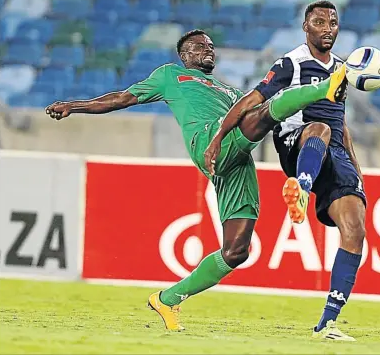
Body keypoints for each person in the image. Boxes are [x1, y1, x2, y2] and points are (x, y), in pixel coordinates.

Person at [44, 29, 348, 331]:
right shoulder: (170, 75)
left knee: (236, 251)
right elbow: (121, 98)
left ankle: (167, 298)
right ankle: (324, 86)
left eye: (212, 46)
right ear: (185, 54)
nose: (209, 50)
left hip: (238, 161)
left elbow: (255, 117)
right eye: (201, 47)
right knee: (267, 111)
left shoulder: (228, 91)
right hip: (209, 143)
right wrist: (74, 105)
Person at [205, 1, 365, 341]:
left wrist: (355, 163)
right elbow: (252, 98)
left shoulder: (342, 68)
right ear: (305, 27)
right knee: (318, 127)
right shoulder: (291, 63)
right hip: (299, 146)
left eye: (332, 22)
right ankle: (301, 190)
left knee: (355, 229)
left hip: (335, 154)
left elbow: (342, 121)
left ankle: (328, 323)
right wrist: (219, 136)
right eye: (318, 21)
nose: (326, 28)